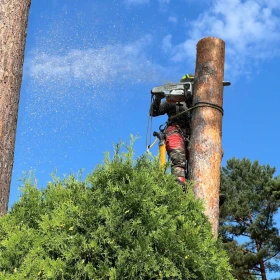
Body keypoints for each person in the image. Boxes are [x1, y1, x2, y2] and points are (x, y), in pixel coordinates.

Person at [150, 74, 193, 185]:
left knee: (201, 159)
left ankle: (205, 187)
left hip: (193, 135)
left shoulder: (199, 102)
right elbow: (154, 112)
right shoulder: (174, 100)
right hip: (176, 131)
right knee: (178, 157)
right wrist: (158, 98)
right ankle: (178, 184)